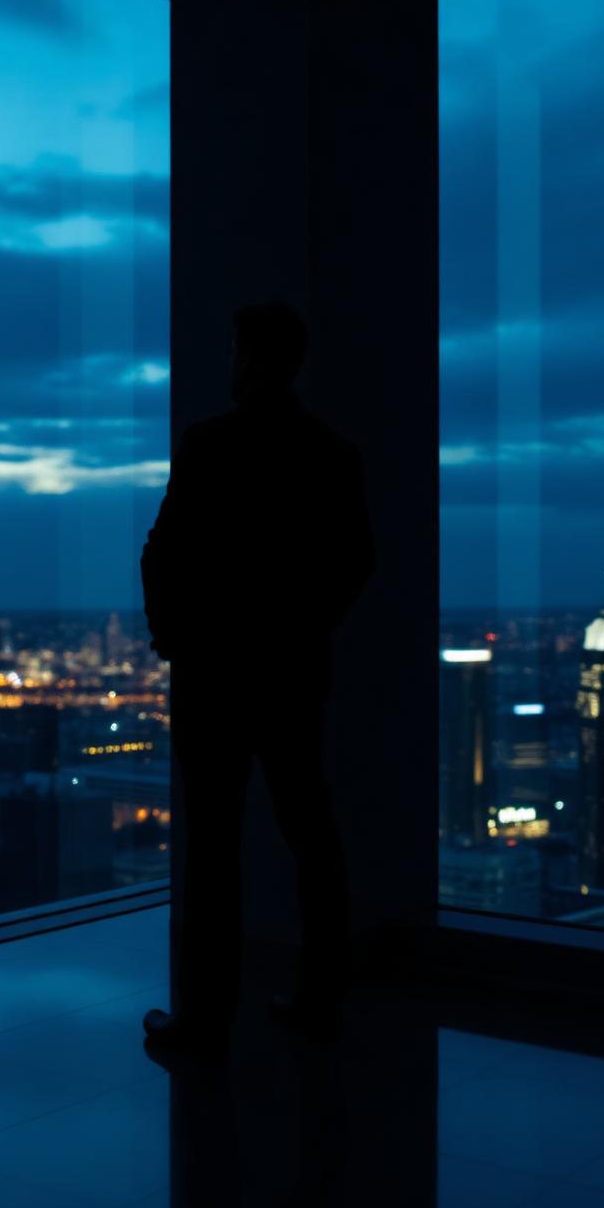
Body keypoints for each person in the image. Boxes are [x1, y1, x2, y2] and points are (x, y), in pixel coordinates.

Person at [139, 301, 375, 1059]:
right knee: (311, 833)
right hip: (291, 674)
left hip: (213, 677)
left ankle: (204, 1022)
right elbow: (355, 562)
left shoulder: (209, 445)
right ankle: (320, 996)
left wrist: (174, 638)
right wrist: (304, 631)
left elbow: (163, 550)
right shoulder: (331, 453)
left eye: (237, 351)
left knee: (212, 850)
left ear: (249, 359)